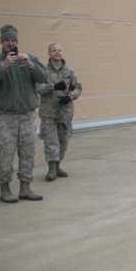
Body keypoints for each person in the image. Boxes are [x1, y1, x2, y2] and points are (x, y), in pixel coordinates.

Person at [0, 24, 47, 202]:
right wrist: (4, 66)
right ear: (2, 42)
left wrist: (30, 65)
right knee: (4, 153)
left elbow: (44, 76)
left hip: (27, 115)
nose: (11, 43)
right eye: (7, 40)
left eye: (13, 40)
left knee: (28, 152)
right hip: (5, 116)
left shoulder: (29, 59)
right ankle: (5, 188)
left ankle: (25, 187)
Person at [37, 43, 82, 181]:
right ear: (49, 53)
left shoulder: (69, 71)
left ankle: (58, 166)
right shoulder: (42, 71)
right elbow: (38, 89)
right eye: (54, 50)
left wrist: (70, 96)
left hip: (65, 112)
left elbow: (78, 88)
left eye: (59, 50)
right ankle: (51, 169)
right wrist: (53, 87)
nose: (57, 52)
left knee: (63, 140)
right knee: (51, 141)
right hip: (49, 112)